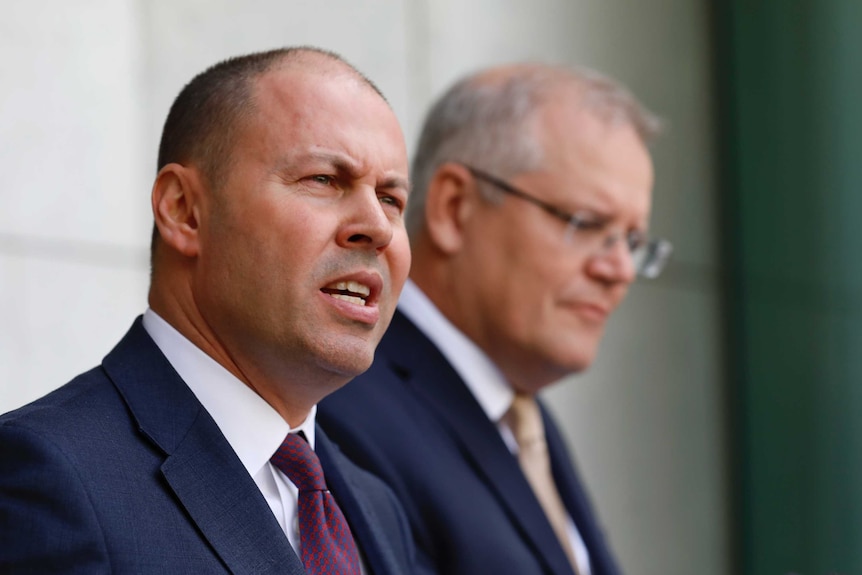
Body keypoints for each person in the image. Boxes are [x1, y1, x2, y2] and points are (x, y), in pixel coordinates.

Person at [0, 47, 417, 574]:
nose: (377, 227)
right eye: (324, 179)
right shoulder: (47, 476)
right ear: (184, 211)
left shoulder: (375, 508)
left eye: (392, 199)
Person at [318, 63, 673, 575]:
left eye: (633, 241)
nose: (618, 270)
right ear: (454, 207)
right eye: (586, 223)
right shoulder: (343, 403)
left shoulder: (520, 414)